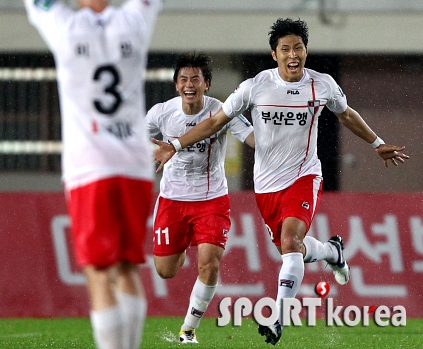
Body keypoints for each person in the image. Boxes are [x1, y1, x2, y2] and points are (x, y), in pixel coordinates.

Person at [0, 0, 181, 349]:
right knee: (129, 269)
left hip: (89, 167)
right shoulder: (134, 18)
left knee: (97, 272)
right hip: (133, 163)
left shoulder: (64, 25)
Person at [153, 18, 409, 346]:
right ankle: (333, 252)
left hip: (304, 177)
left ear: (306, 51)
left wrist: (377, 144)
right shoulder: (255, 86)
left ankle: (277, 319)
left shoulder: (322, 84)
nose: (293, 54)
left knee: (290, 243)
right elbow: (216, 121)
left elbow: (346, 114)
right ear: (274, 54)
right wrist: (175, 145)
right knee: (294, 249)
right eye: (285, 49)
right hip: (266, 188)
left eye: (298, 48)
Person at [146, 52, 255, 344]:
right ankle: (179, 246)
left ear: (207, 84)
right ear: (176, 85)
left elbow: (251, 137)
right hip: (172, 198)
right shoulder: (162, 113)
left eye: (196, 78)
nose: (189, 84)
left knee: (209, 263)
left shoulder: (221, 110)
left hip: (211, 199)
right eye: (183, 79)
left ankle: (188, 329)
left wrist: (279, 142)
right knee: (165, 271)